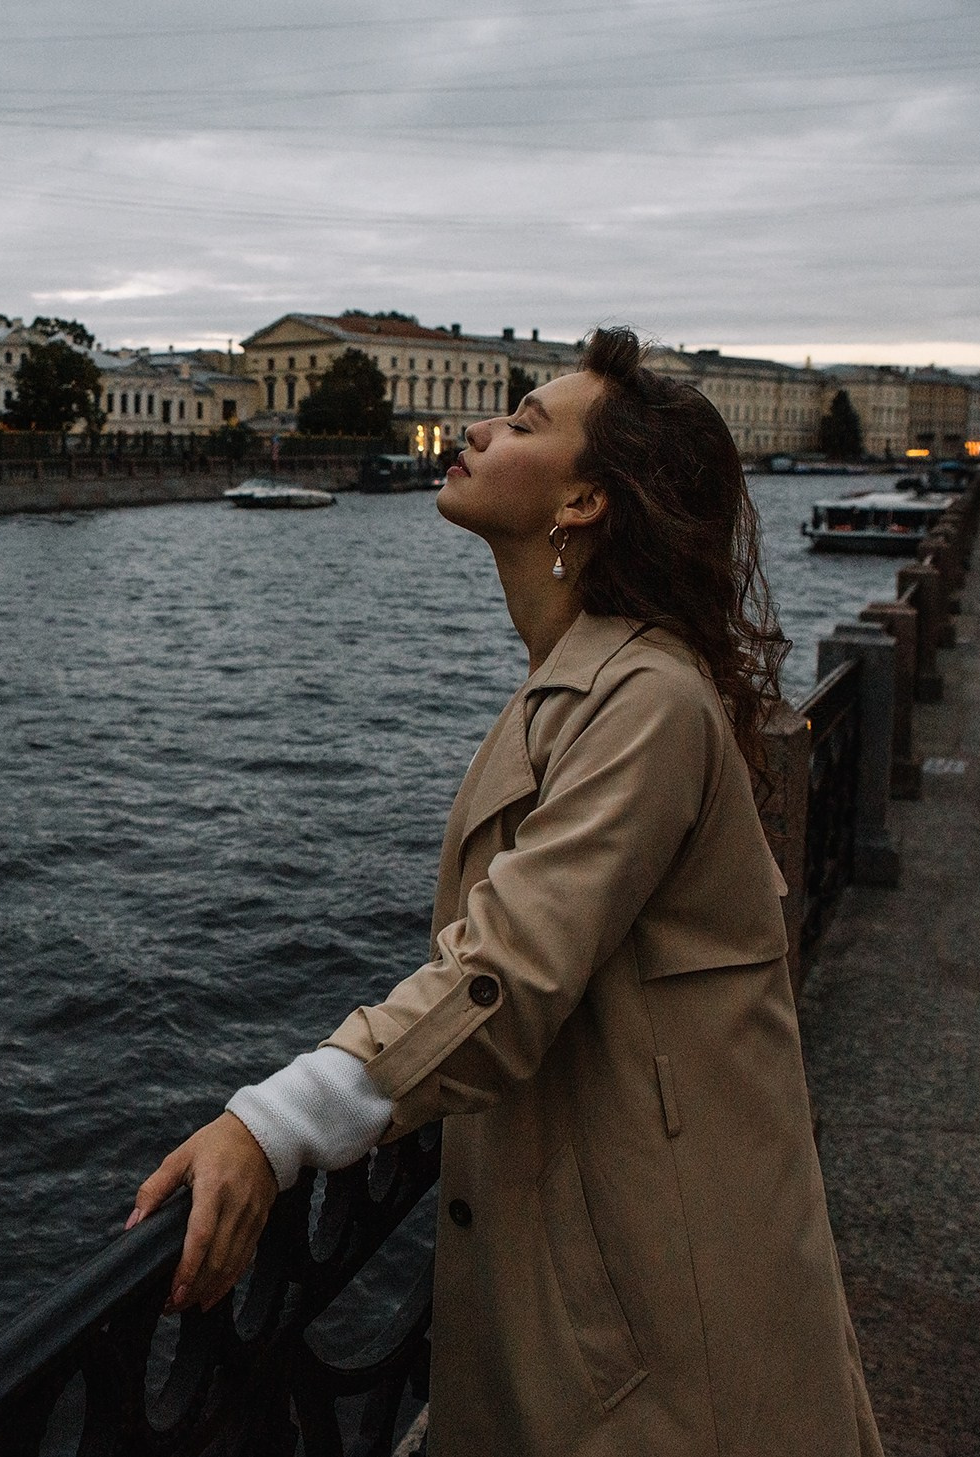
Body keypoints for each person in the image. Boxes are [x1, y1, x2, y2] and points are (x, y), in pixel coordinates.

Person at [128, 327, 883, 1456]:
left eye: (525, 421)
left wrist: (272, 1122)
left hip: (668, 1307)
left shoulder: (645, 702)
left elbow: (504, 975)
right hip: (621, 1248)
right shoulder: (596, 682)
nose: (479, 426)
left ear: (583, 502)